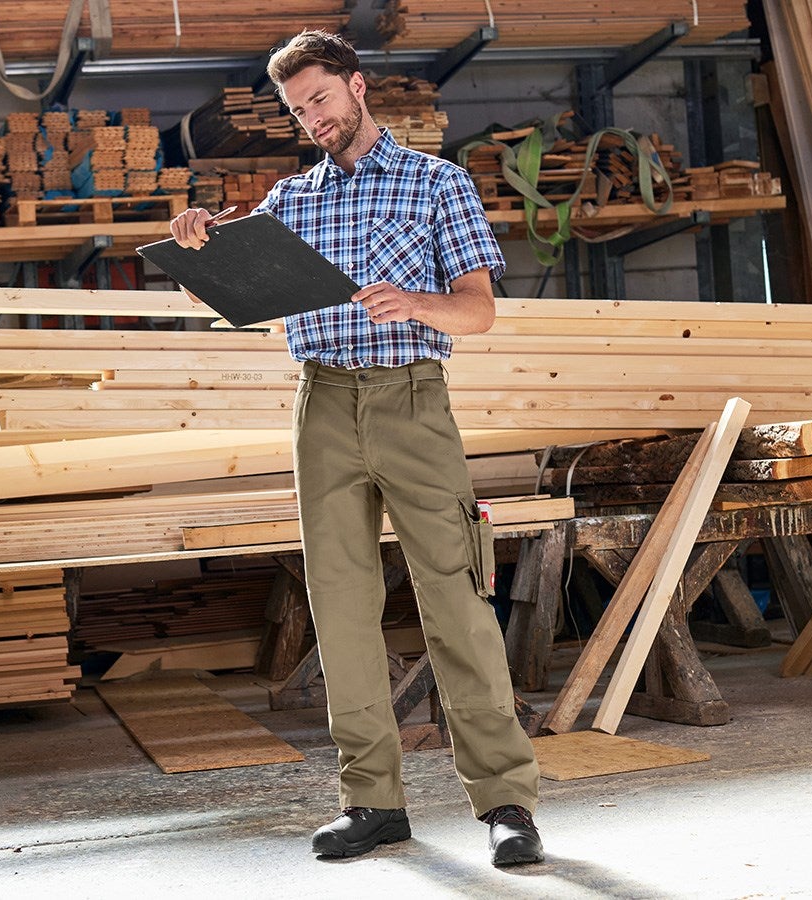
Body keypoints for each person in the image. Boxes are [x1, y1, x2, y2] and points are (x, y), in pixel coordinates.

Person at [170, 29, 542, 868]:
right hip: (323, 404)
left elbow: (478, 311)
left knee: (455, 598)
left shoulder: (436, 182)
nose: (313, 120)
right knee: (339, 607)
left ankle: (507, 803)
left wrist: (415, 303)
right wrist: (197, 239)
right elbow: (226, 291)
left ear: (357, 85)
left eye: (322, 100)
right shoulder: (288, 202)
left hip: (412, 399)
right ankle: (371, 801)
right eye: (299, 110)